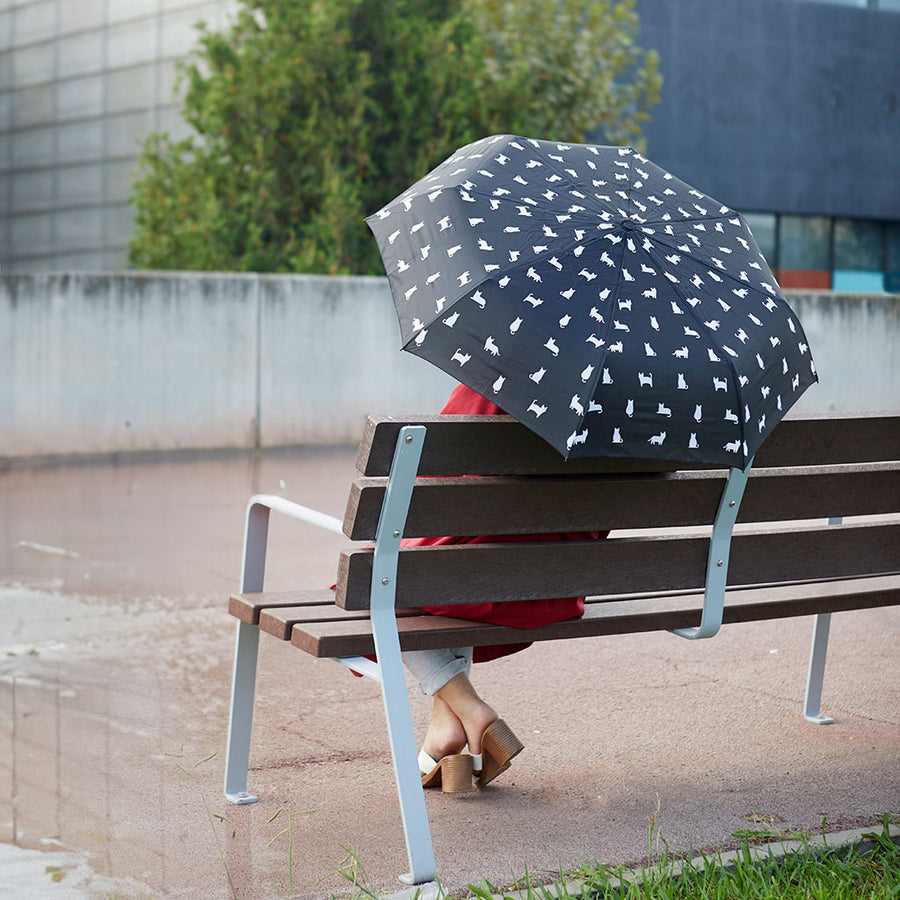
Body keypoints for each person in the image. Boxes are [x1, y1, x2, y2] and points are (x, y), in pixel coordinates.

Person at [401, 383, 606, 794]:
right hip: (562, 588)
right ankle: (445, 727)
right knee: (444, 571)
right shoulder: (649, 406)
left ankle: (472, 712)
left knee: (378, 580)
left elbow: (430, 478)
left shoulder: (501, 378)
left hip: (493, 584)